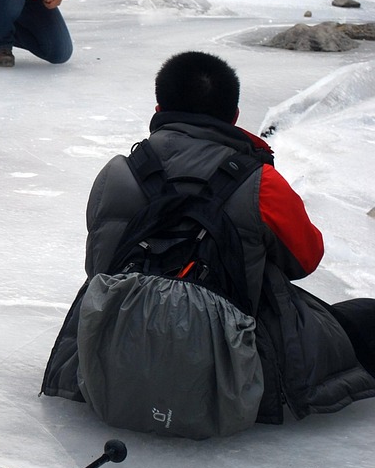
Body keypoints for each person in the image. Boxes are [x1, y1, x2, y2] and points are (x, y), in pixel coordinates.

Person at [42, 51, 375, 424]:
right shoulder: (261, 184)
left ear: (159, 108)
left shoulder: (117, 174)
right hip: (227, 372)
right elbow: (306, 260)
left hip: (110, 365)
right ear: (234, 116)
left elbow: (98, 267)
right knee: (366, 317)